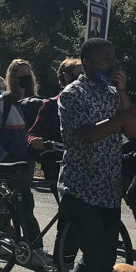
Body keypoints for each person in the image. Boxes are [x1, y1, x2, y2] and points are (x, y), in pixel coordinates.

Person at [56, 38, 136, 272]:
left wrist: (124, 96)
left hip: (109, 191)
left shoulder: (113, 93)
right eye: (103, 59)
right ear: (86, 63)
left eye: (113, 58)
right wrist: (125, 114)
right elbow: (87, 134)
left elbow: (134, 131)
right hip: (80, 189)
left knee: (105, 263)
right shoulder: (73, 94)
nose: (111, 64)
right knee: (97, 257)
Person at [0, 58, 50, 267]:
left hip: (28, 161)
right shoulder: (2, 102)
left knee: (13, 202)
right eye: (19, 74)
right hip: (9, 162)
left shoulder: (35, 103)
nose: (24, 78)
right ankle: (36, 250)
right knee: (25, 203)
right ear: (11, 78)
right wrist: (0, 160)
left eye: (27, 73)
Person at [28, 58, 84, 188]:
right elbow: (33, 133)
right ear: (66, 77)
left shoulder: (91, 104)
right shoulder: (51, 105)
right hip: (58, 163)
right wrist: (35, 140)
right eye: (80, 75)